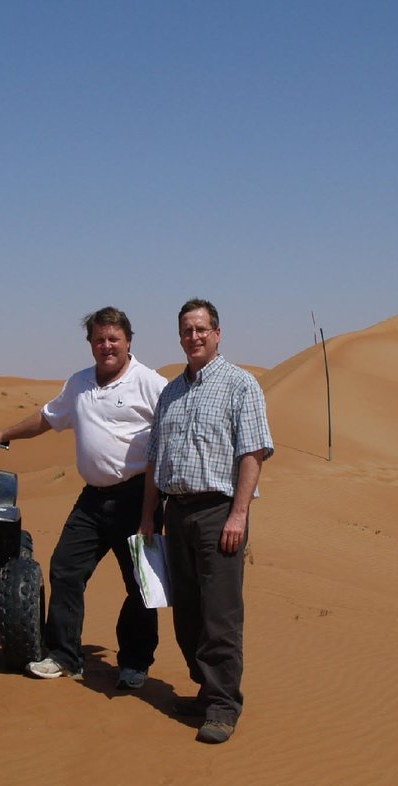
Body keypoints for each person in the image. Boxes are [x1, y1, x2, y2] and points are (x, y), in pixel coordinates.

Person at [0, 306, 167, 689]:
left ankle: (135, 663)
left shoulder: (150, 383)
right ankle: (65, 656)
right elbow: (47, 418)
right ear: (90, 343)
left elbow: (175, 429)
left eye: (113, 339)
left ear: (129, 340)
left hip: (138, 499)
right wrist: (4, 435)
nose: (106, 346)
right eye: (99, 339)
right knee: (65, 569)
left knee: (140, 585)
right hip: (92, 500)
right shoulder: (79, 383)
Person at [139, 298, 273, 745]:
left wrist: (239, 513)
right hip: (176, 513)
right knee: (187, 612)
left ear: (217, 333)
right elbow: (154, 458)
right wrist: (148, 516)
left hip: (219, 512)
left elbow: (253, 452)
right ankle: (205, 688)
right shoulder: (170, 392)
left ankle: (223, 705)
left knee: (220, 614)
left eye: (201, 329)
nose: (193, 336)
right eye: (186, 330)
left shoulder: (240, 384)